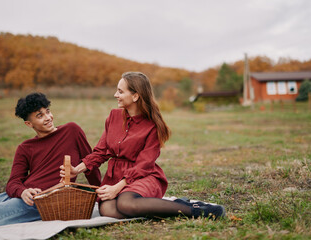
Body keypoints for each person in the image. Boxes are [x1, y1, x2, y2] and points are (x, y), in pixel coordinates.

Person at [60, 72, 225, 220]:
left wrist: (117, 188)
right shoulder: (113, 116)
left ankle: (195, 210)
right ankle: (163, 206)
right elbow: (101, 152)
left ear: (135, 96)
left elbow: (144, 165)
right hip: (116, 176)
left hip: (143, 176)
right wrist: (76, 169)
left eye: (120, 91)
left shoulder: (152, 126)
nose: (115, 95)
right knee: (108, 210)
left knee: (126, 204)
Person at [0, 93, 101, 230]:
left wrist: (100, 195)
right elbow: (13, 183)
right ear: (29, 124)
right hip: (26, 195)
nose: (48, 118)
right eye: (40, 116)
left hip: (44, 201)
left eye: (47, 112)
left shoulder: (72, 131)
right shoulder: (25, 148)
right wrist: (22, 191)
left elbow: (90, 165)